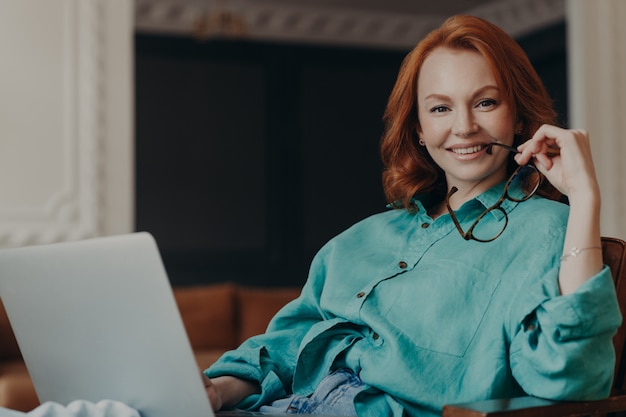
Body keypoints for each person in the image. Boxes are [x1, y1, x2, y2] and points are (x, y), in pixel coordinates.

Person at [203, 14, 622, 417]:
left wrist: (584, 196)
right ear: (419, 128)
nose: (464, 127)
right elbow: (284, 347)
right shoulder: (358, 240)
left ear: (517, 118)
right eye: (440, 108)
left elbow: (575, 379)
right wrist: (215, 392)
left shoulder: (545, 229)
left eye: (486, 102)